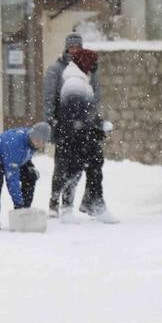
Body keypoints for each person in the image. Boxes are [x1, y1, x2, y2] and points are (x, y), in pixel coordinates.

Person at [44, 32, 104, 215]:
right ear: (66, 47)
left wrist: (94, 118)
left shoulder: (88, 68)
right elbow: (49, 96)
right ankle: (54, 201)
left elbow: (95, 94)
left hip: (84, 124)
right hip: (63, 123)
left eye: (77, 46)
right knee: (61, 165)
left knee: (78, 165)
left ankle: (68, 203)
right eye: (71, 46)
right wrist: (50, 118)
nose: (74, 49)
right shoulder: (57, 69)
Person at [52, 63, 112, 220]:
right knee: (74, 171)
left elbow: (89, 111)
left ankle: (93, 202)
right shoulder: (74, 84)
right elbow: (73, 114)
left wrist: (98, 124)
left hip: (85, 134)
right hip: (74, 136)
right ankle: (67, 208)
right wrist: (87, 127)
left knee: (95, 167)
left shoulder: (83, 83)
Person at [0, 122, 51, 229]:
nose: (39, 143)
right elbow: (12, 178)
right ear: (32, 135)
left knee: (31, 175)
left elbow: (24, 159)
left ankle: (25, 211)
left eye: (42, 142)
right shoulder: (15, 144)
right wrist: (18, 204)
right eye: (37, 140)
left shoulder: (32, 142)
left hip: (6, 157)